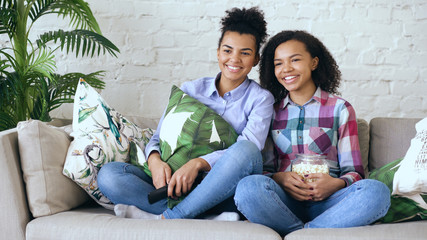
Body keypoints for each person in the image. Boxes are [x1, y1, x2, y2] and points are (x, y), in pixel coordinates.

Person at [97, 7, 274, 220]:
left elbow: (249, 150)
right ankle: (200, 213)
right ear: (218, 52)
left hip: (222, 187)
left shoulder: (261, 99)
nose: (234, 59)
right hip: (173, 183)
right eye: (228, 50)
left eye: (245, 53)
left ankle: (172, 217)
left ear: (256, 59)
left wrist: (197, 164)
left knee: (246, 150)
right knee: (109, 175)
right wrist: (155, 162)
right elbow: (159, 137)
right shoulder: (191, 89)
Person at [234, 30, 390, 235]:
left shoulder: (340, 109)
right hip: (283, 202)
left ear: (314, 63)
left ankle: (304, 234)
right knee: (247, 187)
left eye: (295, 60)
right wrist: (280, 178)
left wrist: (336, 184)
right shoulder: (270, 111)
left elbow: (355, 172)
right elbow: (264, 170)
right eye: (278, 63)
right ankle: (315, 233)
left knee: (376, 192)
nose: (286, 69)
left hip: (332, 203)